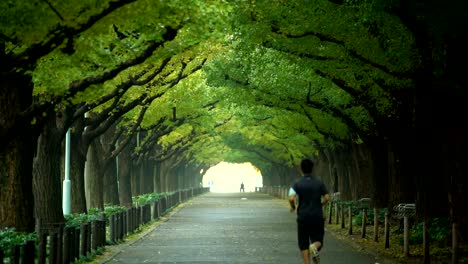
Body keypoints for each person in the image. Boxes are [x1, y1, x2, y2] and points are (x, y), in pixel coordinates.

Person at [289, 158, 329, 264]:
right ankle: (314, 247)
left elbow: (291, 198)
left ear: (301, 169)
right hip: (317, 216)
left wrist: (293, 207)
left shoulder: (297, 183)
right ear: (312, 168)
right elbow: (327, 197)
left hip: (303, 216)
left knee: (303, 243)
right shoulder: (319, 182)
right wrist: (320, 204)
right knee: (318, 240)